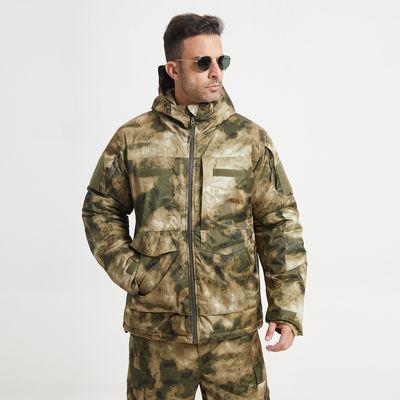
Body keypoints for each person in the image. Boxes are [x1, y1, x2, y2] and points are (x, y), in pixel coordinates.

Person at [82, 13, 307, 400]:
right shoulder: (133, 138)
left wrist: (285, 308)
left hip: (233, 335)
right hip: (158, 337)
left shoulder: (249, 140)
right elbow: (99, 208)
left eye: (221, 61)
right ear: (173, 69)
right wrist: (134, 273)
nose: (216, 72)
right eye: (203, 62)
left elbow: (279, 224)